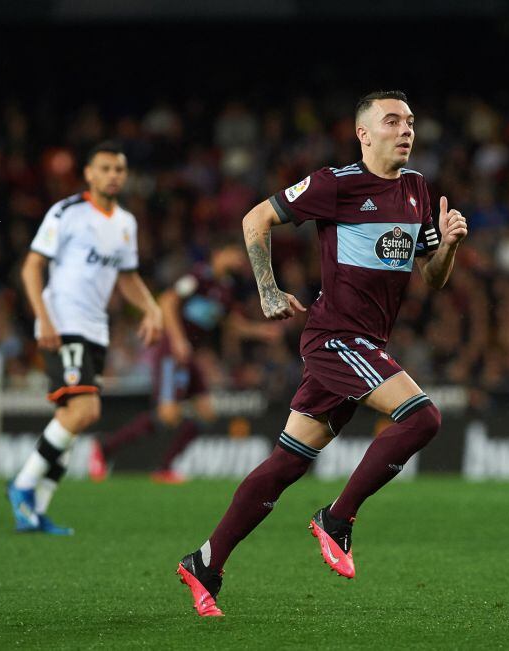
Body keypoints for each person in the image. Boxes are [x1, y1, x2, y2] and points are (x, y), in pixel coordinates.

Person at [175, 90, 468, 617]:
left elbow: (433, 277)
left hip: (366, 344)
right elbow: (254, 220)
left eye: (411, 122)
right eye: (392, 121)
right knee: (423, 417)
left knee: (286, 463)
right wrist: (266, 290)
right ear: (363, 134)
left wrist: (446, 245)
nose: (407, 130)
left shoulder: (418, 189)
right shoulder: (336, 184)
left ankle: (206, 562)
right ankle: (337, 519)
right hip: (336, 339)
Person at [7, 141, 163, 535]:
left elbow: (127, 278)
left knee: (71, 419)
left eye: (120, 169)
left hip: (96, 329)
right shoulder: (67, 213)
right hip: (64, 321)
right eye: (106, 168)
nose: (114, 175)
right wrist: (43, 320)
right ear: (89, 174)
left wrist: (152, 308)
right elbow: (30, 268)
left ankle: (35, 512)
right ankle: (22, 485)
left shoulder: (126, 223)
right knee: (85, 412)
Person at [90, 240, 280, 483]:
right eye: (235, 254)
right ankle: (104, 450)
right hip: (173, 349)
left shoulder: (225, 287)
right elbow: (168, 301)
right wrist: (179, 340)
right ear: (219, 253)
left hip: (189, 354)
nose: (239, 261)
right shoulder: (199, 275)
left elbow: (232, 324)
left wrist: (261, 332)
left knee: (206, 413)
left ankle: (165, 468)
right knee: (168, 414)